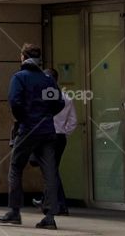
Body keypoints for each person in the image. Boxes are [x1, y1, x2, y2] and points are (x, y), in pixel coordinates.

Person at [0, 44, 64, 230]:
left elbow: (14, 101)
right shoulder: (48, 79)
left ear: (23, 56)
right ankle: (50, 216)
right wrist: (47, 115)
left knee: (16, 167)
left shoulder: (20, 77)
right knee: (49, 171)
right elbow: (59, 103)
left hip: (28, 129)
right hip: (48, 130)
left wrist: (24, 118)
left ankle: (14, 211)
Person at [33, 67, 77, 216]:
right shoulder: (67, 97)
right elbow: (73, 122)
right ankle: (47, 201)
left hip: (47, 137)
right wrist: (64, 133)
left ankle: (58, 205)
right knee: (52, 170)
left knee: (51, 171)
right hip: (60, 138)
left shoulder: (42, 97)